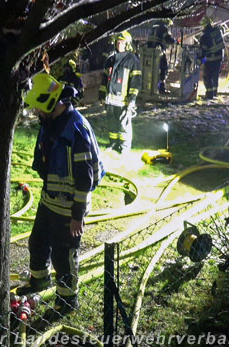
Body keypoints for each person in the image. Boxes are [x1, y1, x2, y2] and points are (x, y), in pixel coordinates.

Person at [17, 73, 105, 315]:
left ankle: (67, 301)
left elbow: (85, 179)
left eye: (39, 108)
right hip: (50, 200)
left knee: (63, 255)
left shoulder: (75, 131)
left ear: (50, 103)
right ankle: (40, 281)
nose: (36, 113)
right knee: (37, 242)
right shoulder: (53, 124)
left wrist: (77, 215)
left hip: (70, 206)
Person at [99, 31, 142, 154]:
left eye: (122, 42)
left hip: (124, 101)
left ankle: (124, 147)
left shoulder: (132, 60)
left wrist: (132, 99)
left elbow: (136, 82)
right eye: (117, 42)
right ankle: (113, 144)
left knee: (124, 125)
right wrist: (101, 94)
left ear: (128, 44)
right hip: (110, 100)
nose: (119, 44)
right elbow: (104, 79)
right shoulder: (111, 59)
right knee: (112, 124)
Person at [147, 19, 177, 94]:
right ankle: (161, 88)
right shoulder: (164, 28)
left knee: (150, 70)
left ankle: (149, 88)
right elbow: (168, 39)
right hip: (158, 52)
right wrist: (174, 41)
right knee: (164, 69)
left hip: (149, 52)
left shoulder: (154, 27)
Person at [199, 17, 224, 99]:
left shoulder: (204, 36)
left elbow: (203, 50)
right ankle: (214, 92)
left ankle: (209, 94)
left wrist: (200, 59)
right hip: (219, 57)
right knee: (215, 75)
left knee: (207, 76)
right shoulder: (217, 31)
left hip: (210, 59)